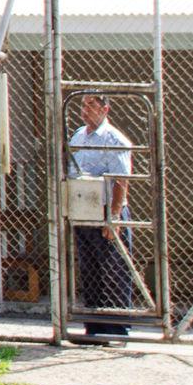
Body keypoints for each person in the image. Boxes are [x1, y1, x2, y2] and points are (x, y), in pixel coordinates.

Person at [67, 93, 137, 341]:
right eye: (83, 105)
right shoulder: (78, 135)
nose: (86, 110)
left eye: (92, 106)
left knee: (114, 270)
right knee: (90, 269)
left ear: (105, 109)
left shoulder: (114, 139)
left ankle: (117, 328)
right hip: (84, 209)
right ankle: (94, 327)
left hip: (107, 209)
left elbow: (120, 180)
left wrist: (114, 217)